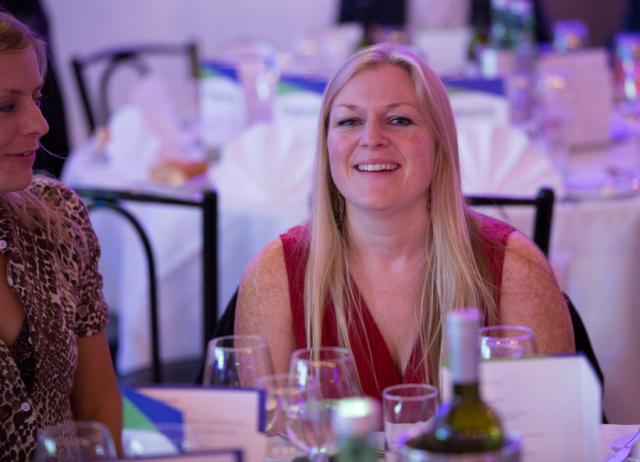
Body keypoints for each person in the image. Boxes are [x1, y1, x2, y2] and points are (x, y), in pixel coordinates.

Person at [235, 43, 574, 399]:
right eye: (349, 121)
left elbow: (552, 437)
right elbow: (266, 445)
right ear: (326, 145)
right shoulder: (275, 275)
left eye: (399, 120)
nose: (371, 139)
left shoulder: (514, 269)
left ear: (439, 142)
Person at [0, 10, 121, 459]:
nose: (41, 123)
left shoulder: (58, 217)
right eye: (7, 105)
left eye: (36, 96)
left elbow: (97, 406)